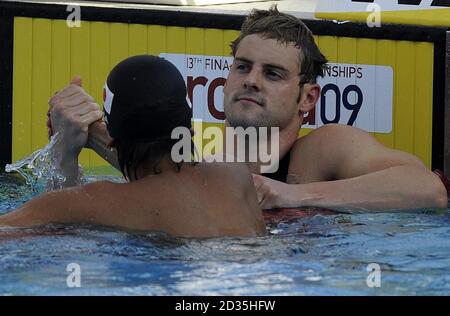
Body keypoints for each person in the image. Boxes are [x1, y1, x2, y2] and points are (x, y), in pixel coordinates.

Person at [47, 6, 447, 212]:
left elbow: (427, 190)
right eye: (243, 67)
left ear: (307, 99)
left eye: (273, 74)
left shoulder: (324, 150)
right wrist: (69, 149)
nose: (251, 80)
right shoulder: (202, 157)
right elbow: (148, 192)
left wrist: (292, 194)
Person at [0, 56, 266, 238]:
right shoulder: (235, 175)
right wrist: (96, 136)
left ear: (114, 139)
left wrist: (64, 151)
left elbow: (47, 225)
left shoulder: (94, 201)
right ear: (190, 128)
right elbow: (165, 182)